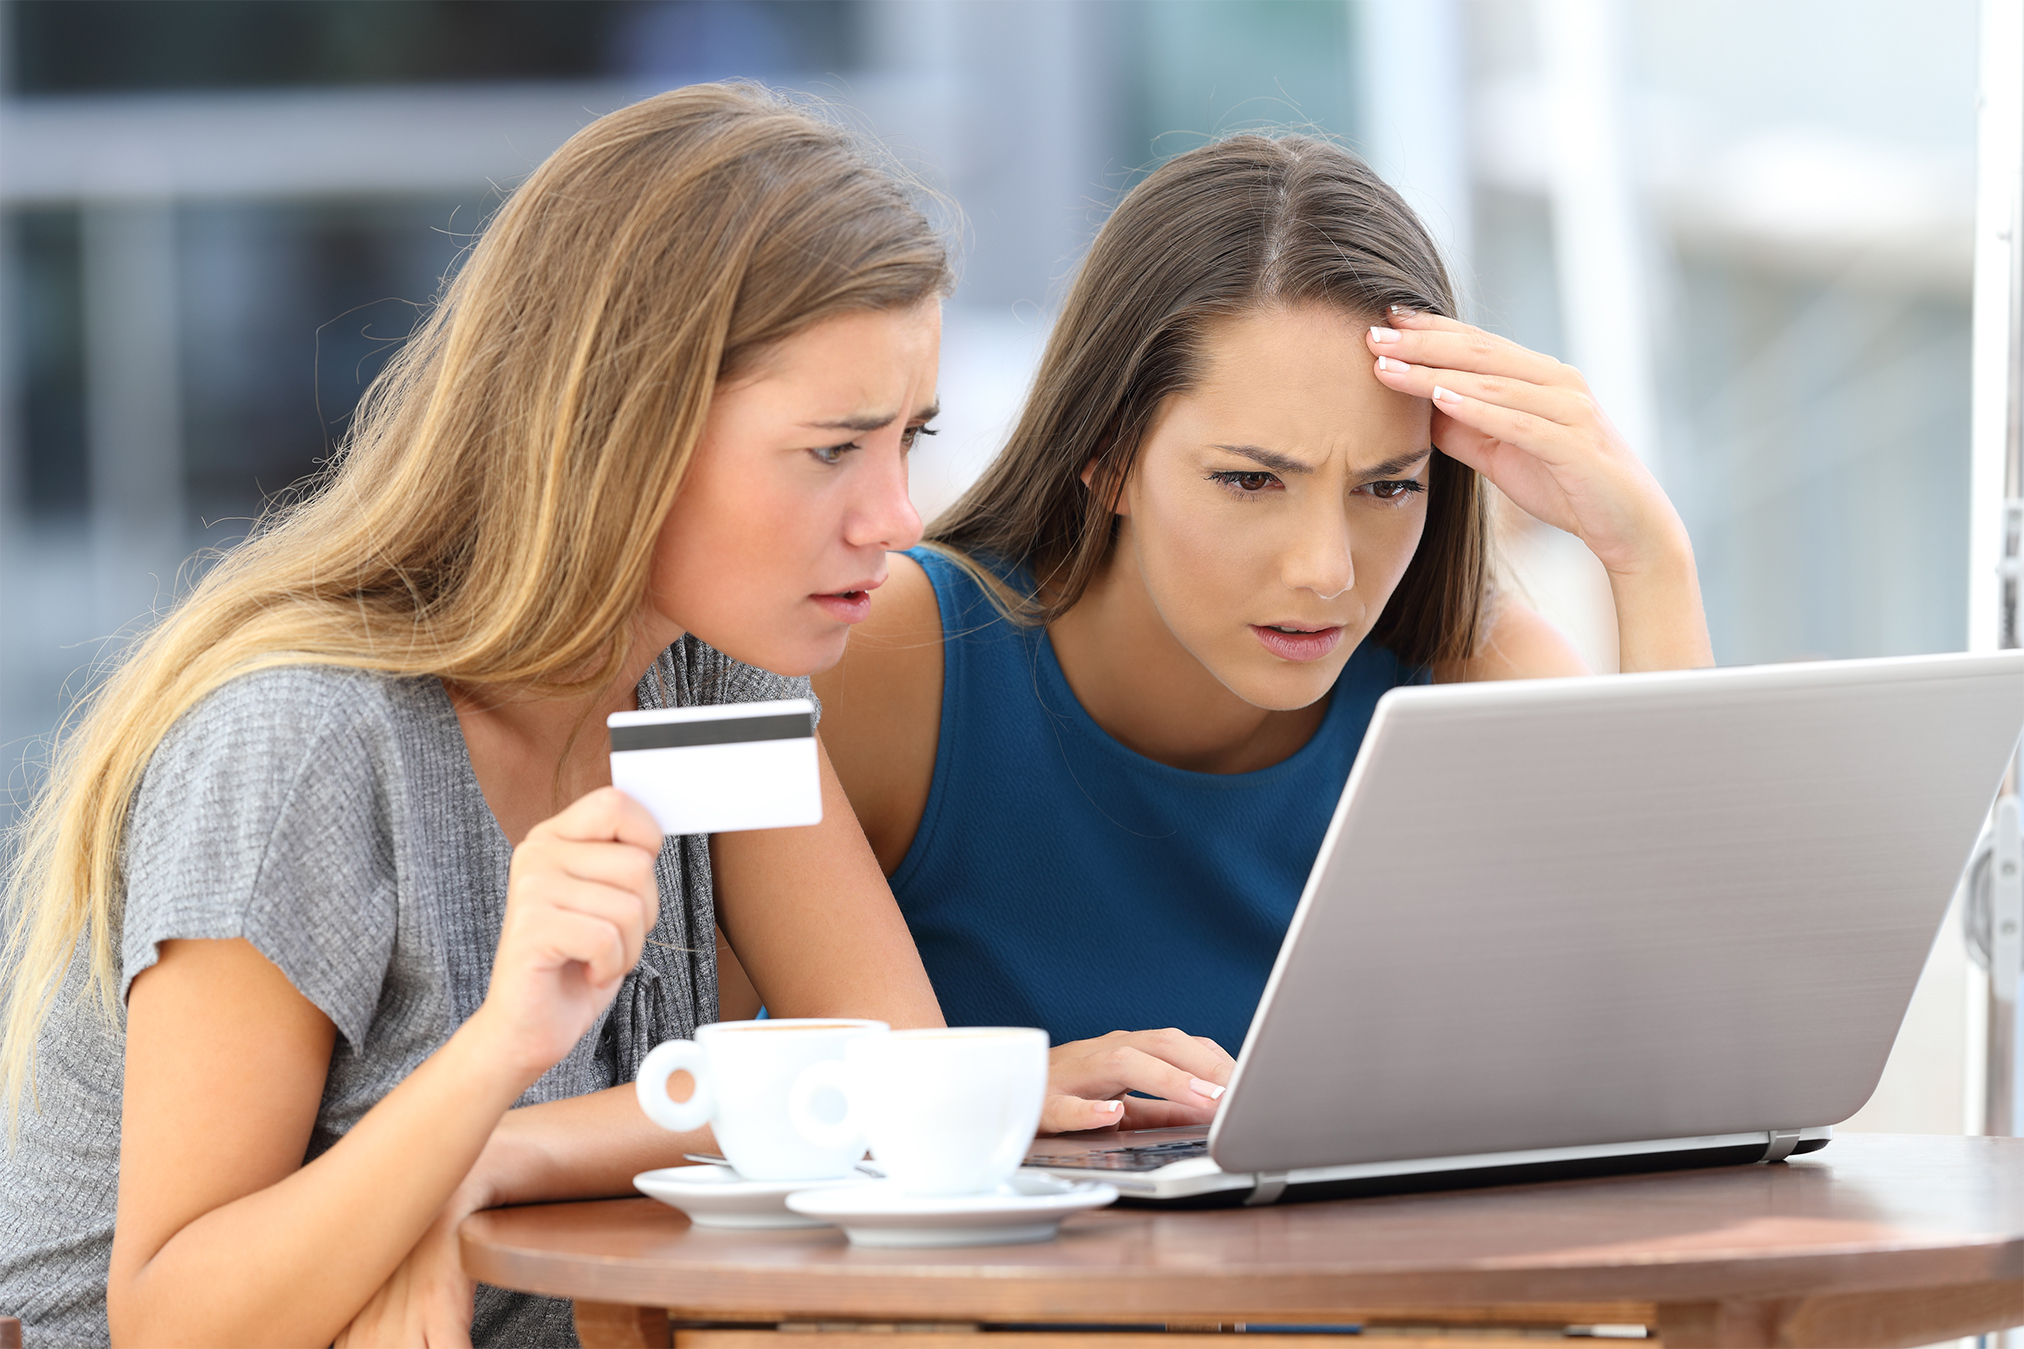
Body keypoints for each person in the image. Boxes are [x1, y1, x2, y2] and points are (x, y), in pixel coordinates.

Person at [0, 86, 1218, 1349]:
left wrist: (480, 1163)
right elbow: (170, 1319)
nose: (897, 519)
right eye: (830, 450)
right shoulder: (303, 741)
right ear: (622, 427)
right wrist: (494, 1060)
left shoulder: (718, 676)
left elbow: (879, 1077)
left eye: (908, 439)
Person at [812, 132, 1714, 1074]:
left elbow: (1692, 1051)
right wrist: (1000, 1097)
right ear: (1107, 456)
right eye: (1249, 481)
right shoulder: (897, 658)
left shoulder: (1473, 676)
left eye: (1388, 486)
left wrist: (1648, 557)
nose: (1327, 571)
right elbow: (693, 1099)